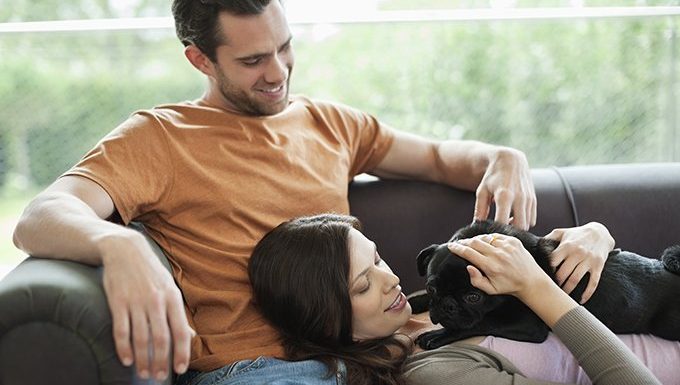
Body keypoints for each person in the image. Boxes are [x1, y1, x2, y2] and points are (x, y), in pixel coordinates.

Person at [11, 0, 609, 383]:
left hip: (360, 360)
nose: (277, 71)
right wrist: (120, 247)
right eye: (251, 60)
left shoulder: (330, 123)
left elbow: (436, 157)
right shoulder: (160, 137)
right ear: (199, 59)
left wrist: (504, 156)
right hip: (256, 372)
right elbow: (42, 215)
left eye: (284, 46)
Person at [249, 214, 676, 385]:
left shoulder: (430, 295)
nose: (389, 279)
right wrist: (537, 289)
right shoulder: (434, 373)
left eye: (378, 258)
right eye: (363, 285)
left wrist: (595, 235)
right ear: (330, 324)